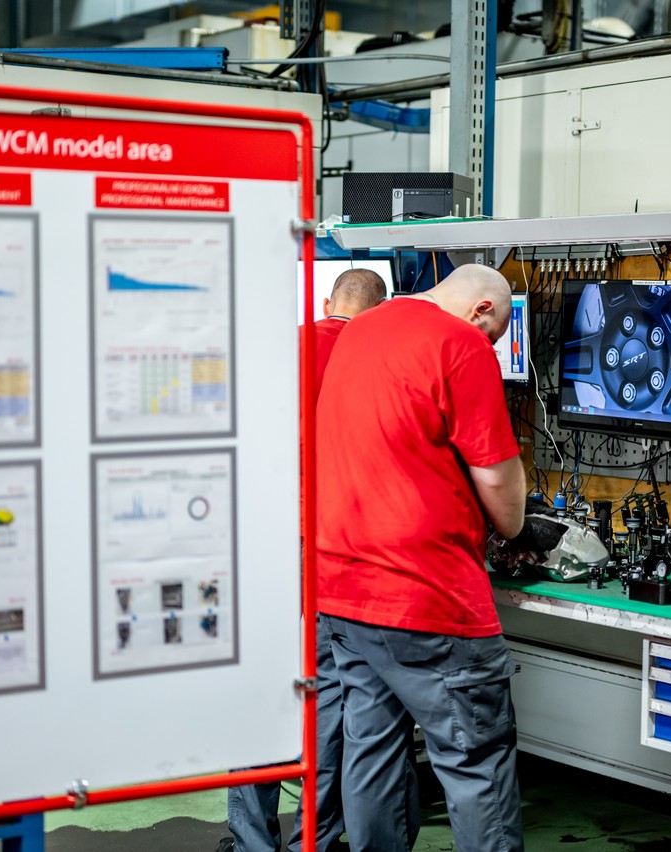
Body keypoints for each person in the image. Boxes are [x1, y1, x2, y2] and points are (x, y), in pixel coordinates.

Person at [315, 264, 527, 852]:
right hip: (428, 595)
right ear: (482, 310)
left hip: (346, 589)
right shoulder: (460, 342)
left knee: (372, 751)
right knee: (475, 760)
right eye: (493, 335)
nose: (489, 346)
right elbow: (497, 479)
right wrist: (514, 523)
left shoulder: (360, 330)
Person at [220, 267, 388, 852]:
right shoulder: (381, 357)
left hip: (271, 537)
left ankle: (250, 841)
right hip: (344, 542)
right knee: (331, 694)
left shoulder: (280, 347)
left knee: (262, 687)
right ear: (380, 311)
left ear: (325, 301)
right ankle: (313, 840)